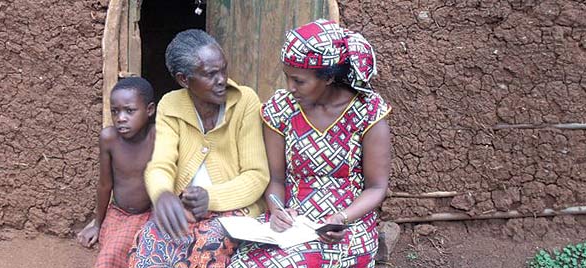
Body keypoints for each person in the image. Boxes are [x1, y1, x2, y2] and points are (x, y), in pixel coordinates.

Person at [229, 19, 392, 267]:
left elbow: (377, 187)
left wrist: (341, 217)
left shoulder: (366, 112)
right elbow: (276, 179)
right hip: (293, 224)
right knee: (243, 263)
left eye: (299, 81)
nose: (290, 88)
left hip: (345, 228)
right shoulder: (281, 109)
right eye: (287, 78)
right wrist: (277, 210)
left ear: (327, 78)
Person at [127, 29, 270, 267]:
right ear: (184, 79)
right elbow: (160, 165)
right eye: (211, 74)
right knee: (151, 241)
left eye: (223, 69)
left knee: (208, 244)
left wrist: (210, 198)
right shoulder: (171, 104)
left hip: (235, 210)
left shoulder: (245, 101)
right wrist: (162, 194)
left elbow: (257, 176)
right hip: (187, 207)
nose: (222, 79)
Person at [76, 77, 157, 268]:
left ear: (150, 110)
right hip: (119, 214)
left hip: (151, 214)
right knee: (110, 255)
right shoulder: (109, 138)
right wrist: (97, 223)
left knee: (148, 253)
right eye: (115, 111)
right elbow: (105, 185)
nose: (121, 118)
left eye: (129, 111)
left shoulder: (158, 136)